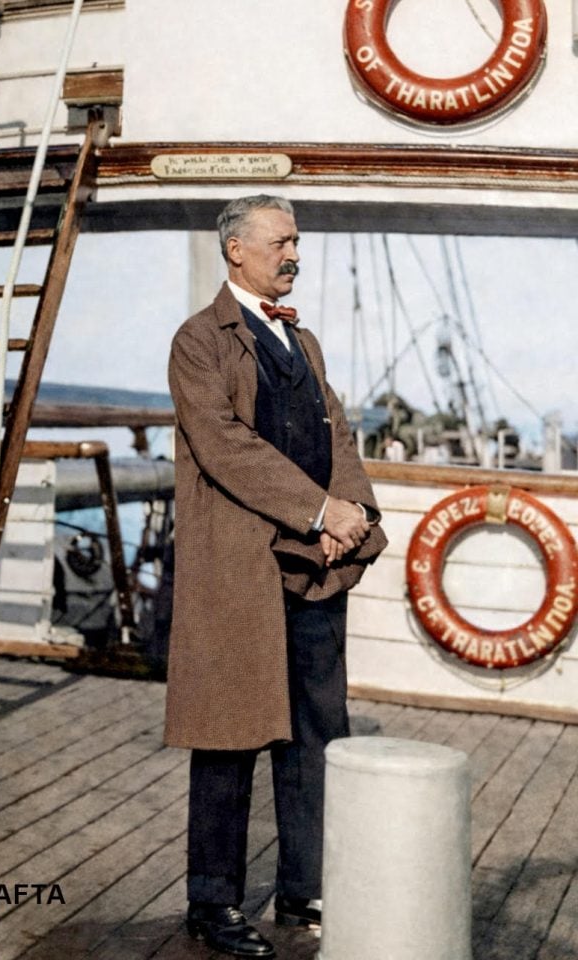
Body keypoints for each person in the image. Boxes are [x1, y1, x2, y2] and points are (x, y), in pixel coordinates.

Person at [165, 195, 387, 959]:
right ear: (237, 250)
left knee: (315, 737)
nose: (295, 253)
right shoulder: (199, 343)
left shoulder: (304, 342)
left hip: (313, 573)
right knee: (229, 737)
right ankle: (213, 903)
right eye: (282, 241)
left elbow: (336, 431)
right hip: (239, 574)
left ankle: (304, 885)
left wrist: (352, 511)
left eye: (297, 241)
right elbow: (225, 446)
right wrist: (319, 509)